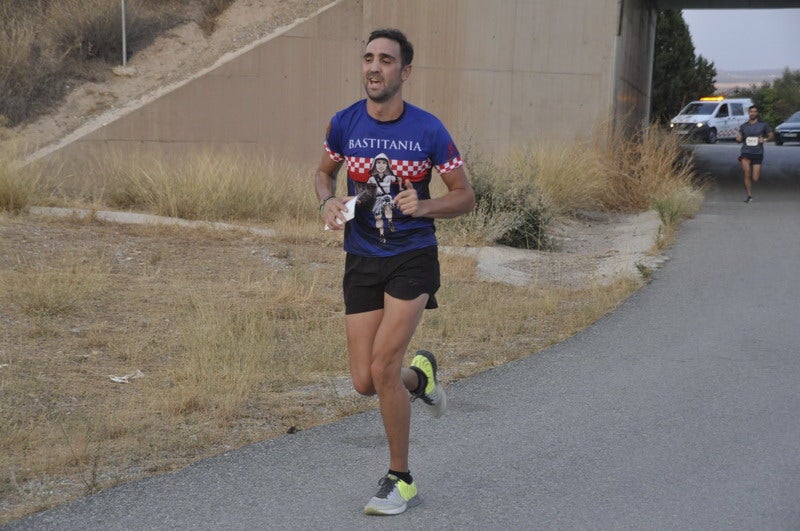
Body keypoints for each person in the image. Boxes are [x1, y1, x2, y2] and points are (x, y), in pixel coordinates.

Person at [314, 28, 475, 515]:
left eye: (386, 60)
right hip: (361, 258)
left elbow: (465, 195)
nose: (374, 67)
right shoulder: (344, 123)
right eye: (368, 58)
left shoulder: (428, 131)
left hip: (412, 257)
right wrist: (327, 201)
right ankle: (420, 379)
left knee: (383, 365)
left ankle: (400, 477)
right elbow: (323, 171)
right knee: (366, 381)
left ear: (404, 72)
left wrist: (424, 205)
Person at [736, 105, 773, 203]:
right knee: (747, 173)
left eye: (754, 111)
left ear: (757, 113)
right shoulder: (744, 126)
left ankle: (750, 192)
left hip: (758, 153)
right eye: (751, 111)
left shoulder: (763, 125)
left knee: (755, 178)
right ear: (748, 113)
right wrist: (738, 138)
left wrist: (764, 139)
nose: (752, 113)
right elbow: (739, 137)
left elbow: (771, 135)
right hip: (745, 153)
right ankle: (749, 195)